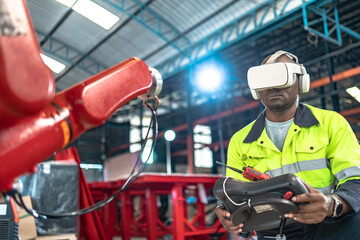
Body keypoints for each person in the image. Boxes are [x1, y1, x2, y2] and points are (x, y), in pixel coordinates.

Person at [215, 50, 360, 240]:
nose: (273, 86)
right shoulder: (240, 141)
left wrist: (331, 204)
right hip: (272, 231)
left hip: (326, 225)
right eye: (266, 80)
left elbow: (355, 181)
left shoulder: (331, 123)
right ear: (256, 90)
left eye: (282, 77)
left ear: (301, 82)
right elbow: (235, 197)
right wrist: (229, 216)